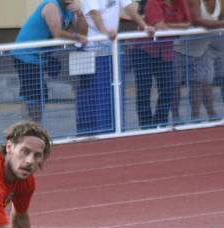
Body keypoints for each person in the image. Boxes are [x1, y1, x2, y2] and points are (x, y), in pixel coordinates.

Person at [79, 0, 153, 134]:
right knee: (96, 96)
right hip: (92, 52)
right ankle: (97, 133)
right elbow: (95, 14)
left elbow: (130, 9)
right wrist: (105, 32)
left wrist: (145, 26)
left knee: (114, 94)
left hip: (112, 50)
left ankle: (115, 130)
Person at [12, 0, 88, 123]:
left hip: (44, 55)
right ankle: (29, 127)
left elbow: (83, 33)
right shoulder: (51, 7)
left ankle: (33, 125)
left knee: (40, 91)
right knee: (34, 93)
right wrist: (78, 38)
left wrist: (80, 14)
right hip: (26, 55)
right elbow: (57, 33)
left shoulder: (70, 9)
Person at [129, 0, 191, 128]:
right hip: (143, 49)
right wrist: (174, 27)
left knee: (168, 89)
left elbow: (187, 24)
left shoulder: (181, 2)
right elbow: (160, 27)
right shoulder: (153, 2)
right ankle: (146, 127)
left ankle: (160, 124)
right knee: (144, 89)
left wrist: (168, 26)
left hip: (166, 51)